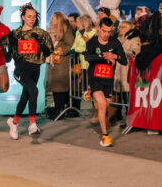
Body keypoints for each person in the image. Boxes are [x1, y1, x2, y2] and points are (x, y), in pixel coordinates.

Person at [5, 4, 53, 139]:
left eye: (34, 17)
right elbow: (8, 57)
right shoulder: (15, 35)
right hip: (20, 72)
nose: (32, 19)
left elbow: (47, 52)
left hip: (35, 71)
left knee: (25, 96)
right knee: (33, 91)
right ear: (23, 17)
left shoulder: (40, 34)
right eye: (29, 16)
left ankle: (13, 123)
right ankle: (32, 124)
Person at [82, 17, 127, 147]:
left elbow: (124, 60)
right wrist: (103, 56)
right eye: (104, 31)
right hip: (95, 79)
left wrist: (115, 56)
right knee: (102, 105)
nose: (106, 34)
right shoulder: (91, 42)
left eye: (109, 31)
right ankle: (105, 137)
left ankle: (91, 94)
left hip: (108, 81)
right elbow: (87, 57)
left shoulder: (115, 43)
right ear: (98, 28)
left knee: (104, 107)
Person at [46, 12, 75, 118]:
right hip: (53, 61)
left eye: (53, 18)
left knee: (60, 86)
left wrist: (61, 51)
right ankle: (57, 109)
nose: (51, 20)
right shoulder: (51, 29)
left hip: (61, 62)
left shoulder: (65, 30)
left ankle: (60, 110)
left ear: (59, 19)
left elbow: (71, 44)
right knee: (55, 86)